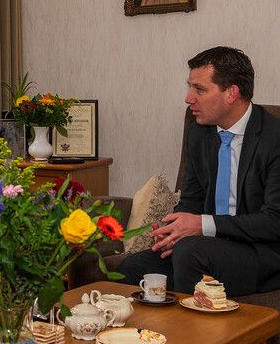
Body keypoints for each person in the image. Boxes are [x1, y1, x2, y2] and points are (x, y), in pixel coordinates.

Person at [119, 46, 280, 297]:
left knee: (190, 251)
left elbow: (274, 222)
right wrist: (172, 228)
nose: (188, 98)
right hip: (207, 246)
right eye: (190, 87)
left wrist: (200, 225)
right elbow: (192, 199)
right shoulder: (199, 132)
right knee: (132, 267)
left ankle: (191, 336)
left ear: (231, 93)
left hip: (261, 252)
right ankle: (143, 336)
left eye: (200, 89)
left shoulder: (274, 137)